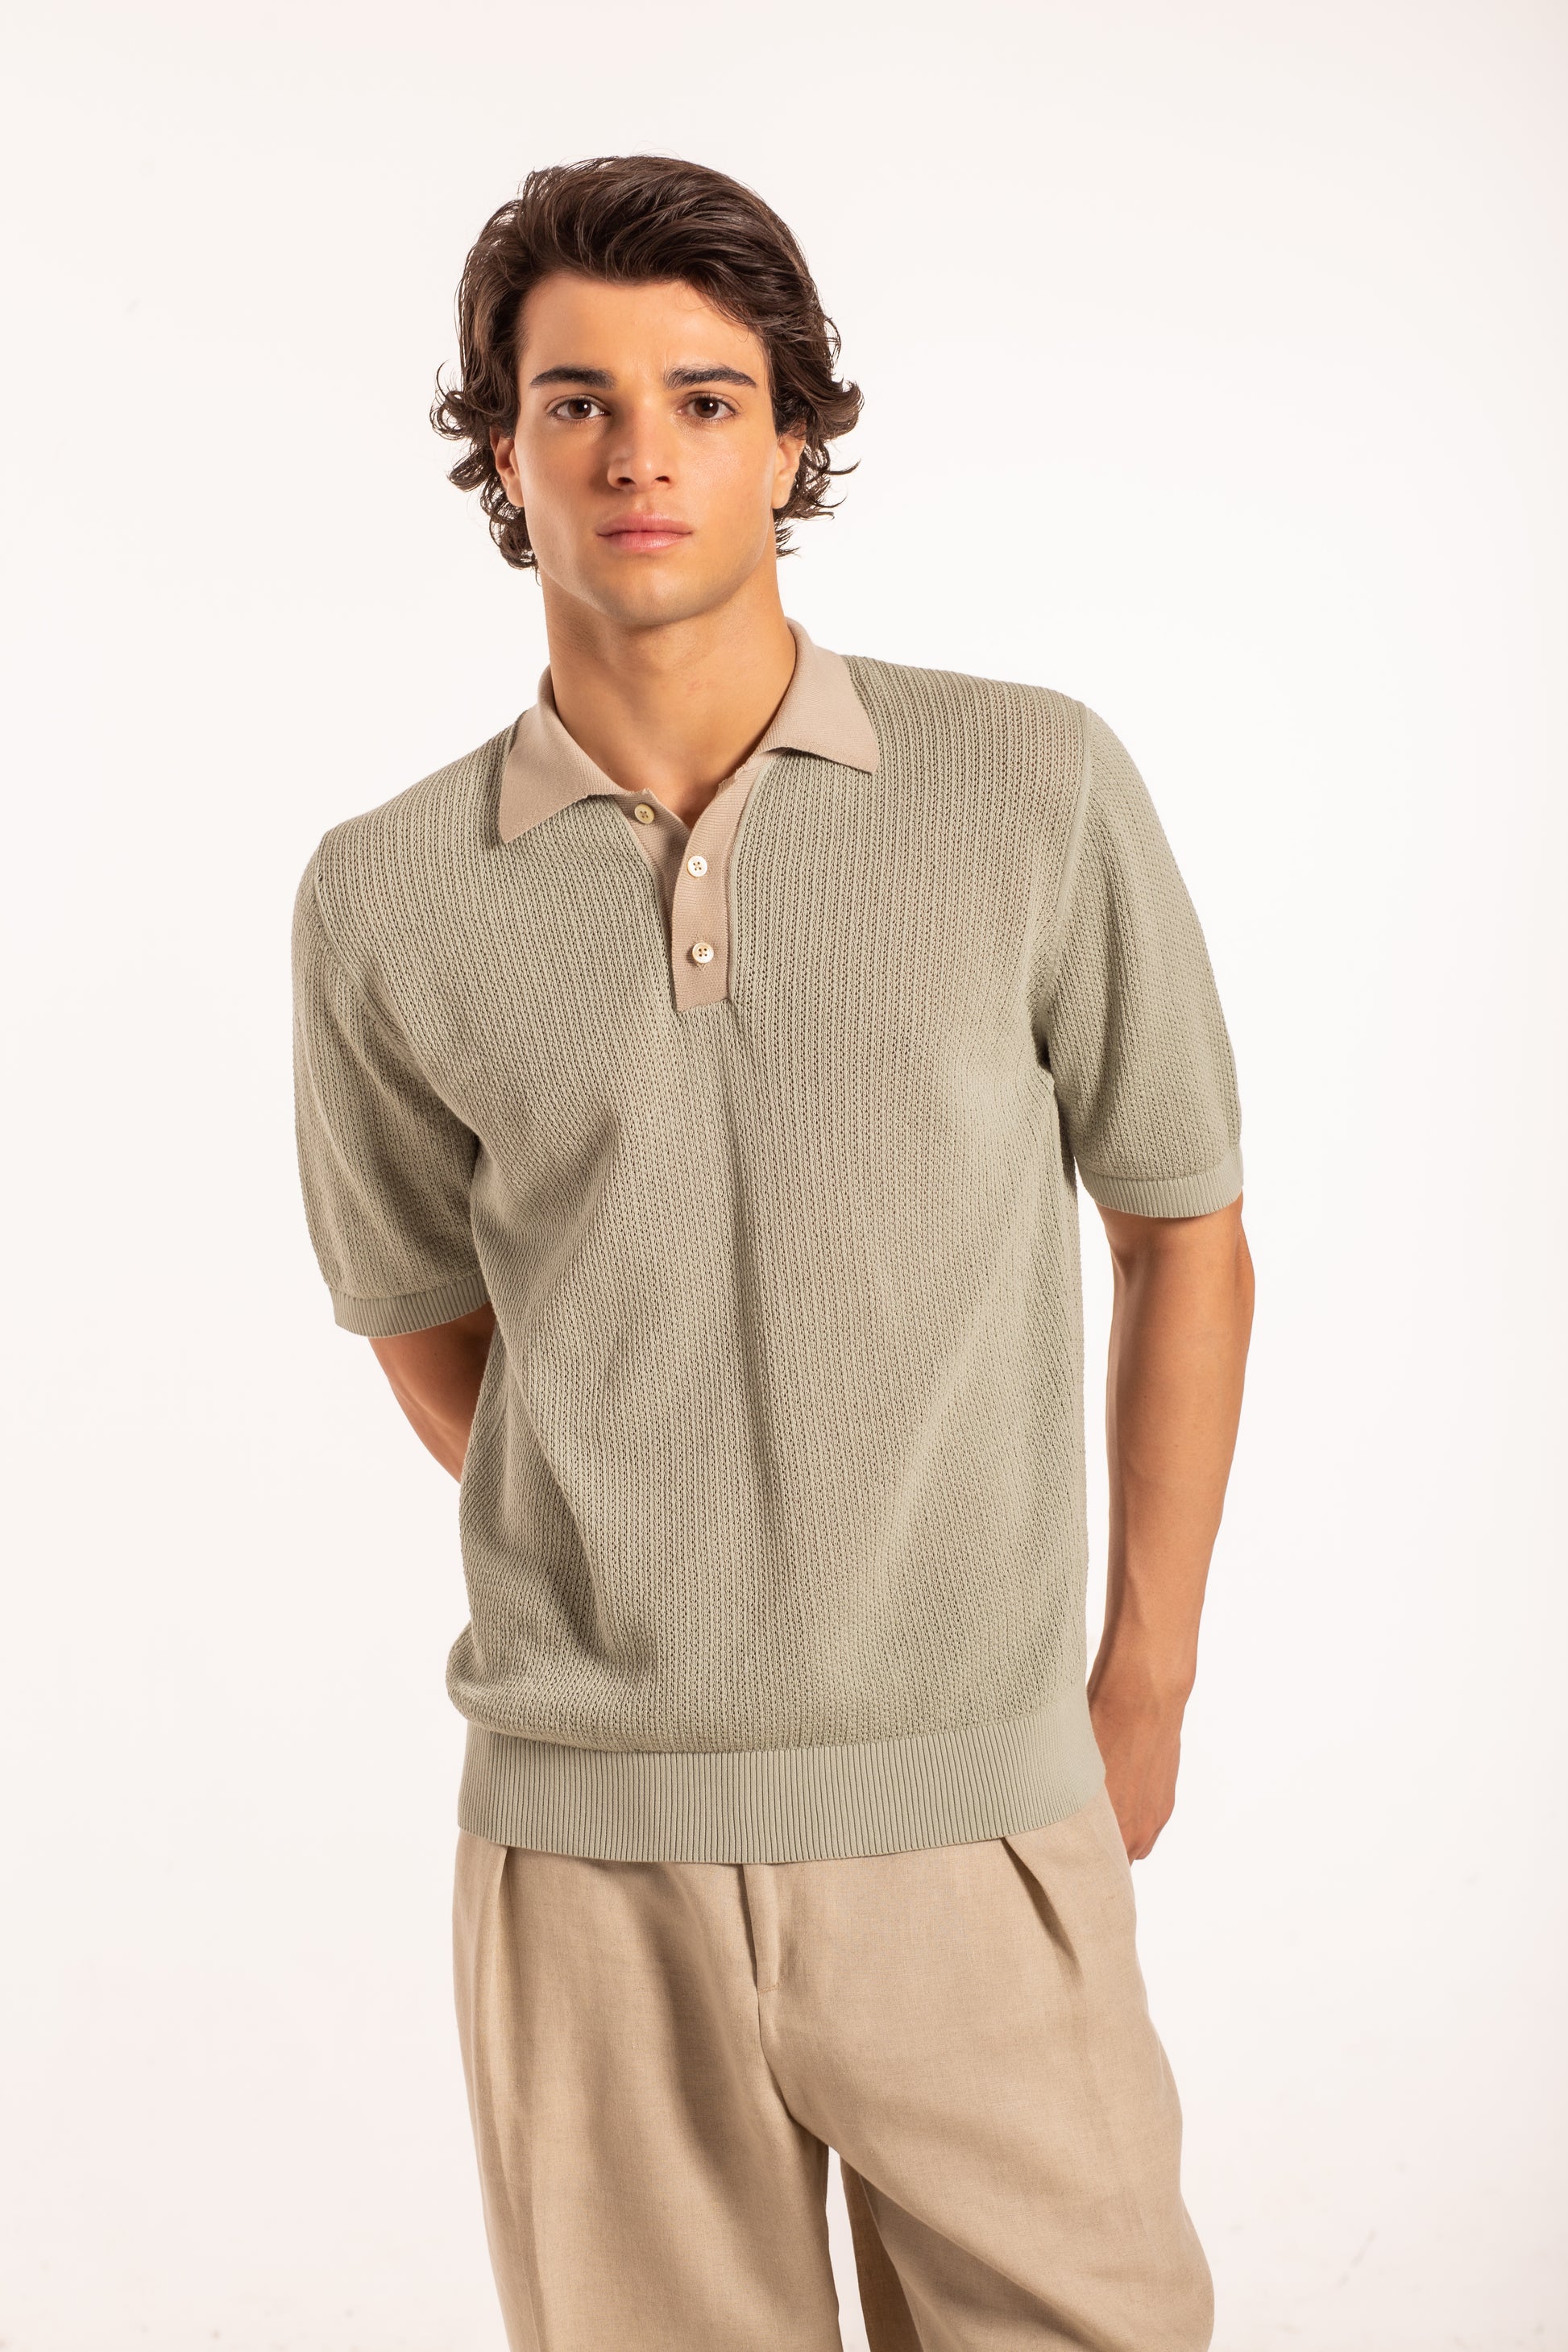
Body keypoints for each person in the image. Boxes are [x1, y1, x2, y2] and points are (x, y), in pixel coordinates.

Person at [290, 151, 1255, 2352]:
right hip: (581, 1860)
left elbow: (1184, 1231)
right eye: (578, 401)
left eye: (706, 398)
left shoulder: (1026, 786)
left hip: (976, 1812)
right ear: (499, 445)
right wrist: (653, 1544)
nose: (640, 454)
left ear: (794, 437)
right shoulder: (383, 894)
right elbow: (429, 1321)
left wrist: (1144, 1680)